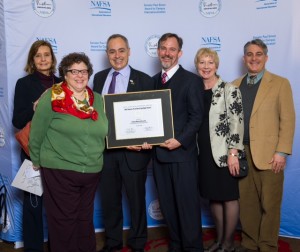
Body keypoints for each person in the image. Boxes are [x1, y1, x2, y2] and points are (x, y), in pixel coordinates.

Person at [29, 52, 108, 252]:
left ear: (89, 74)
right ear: (65, 74)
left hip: (91, 171)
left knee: (84, 220)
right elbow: (36, 133)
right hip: (59, 170)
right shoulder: (52, 97)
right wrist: (36, 160)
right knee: (64, 223)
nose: (79, 75)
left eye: (83, 71)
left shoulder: (97, 99)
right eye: (74, 71)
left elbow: (105, 131)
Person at [232, 39, 295, 252]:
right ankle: (250, 243)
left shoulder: (280, 83)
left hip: (270, 155)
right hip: (242, 154)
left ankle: (267, 245)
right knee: (247, 203)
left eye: (259, 54)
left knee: (270, 205)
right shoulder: (234, 85)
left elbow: (288, 119)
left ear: (266, 58)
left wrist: (281, 152)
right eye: (249, 54)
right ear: (244, 58)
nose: (254, 58)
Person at [93, 34, 154, 252]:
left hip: (134, 153)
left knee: (136, 201)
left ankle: (138, 243)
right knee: (110, 201)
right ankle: (113, 242)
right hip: (107, 151)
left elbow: (151, 117)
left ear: (129, 51)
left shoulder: (145, 79)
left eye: (121, 50)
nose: (117, 55)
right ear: (107, 54)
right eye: (112, 51)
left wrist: (148, 139)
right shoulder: (99, 78)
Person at [152, 33, 204, 251]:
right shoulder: (152, 81)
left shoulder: (192, 81)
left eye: (172, 49)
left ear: (180, 53)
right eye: (163, 48)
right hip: (159, 156)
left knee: (187, 208)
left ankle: (192, 248)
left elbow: (196, 117)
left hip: (182, 155)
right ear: (158, 51)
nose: (167, 53)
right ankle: (176, 246)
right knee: (168, 207)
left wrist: (179, 141)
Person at [12, 40, 60, 252]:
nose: (43, 59)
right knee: (33, 206)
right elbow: (17, 120)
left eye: (46, 55)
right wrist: (35, 108)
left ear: (52, 58)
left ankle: (59, 246)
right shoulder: (24, 84)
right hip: (32, 154)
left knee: (59, 206)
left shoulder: (63, 83)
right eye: (38, 55)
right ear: (33, 59)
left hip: (60, 154)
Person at [194, 48, 244, 252]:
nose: (206, 66)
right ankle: (219, 240)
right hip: (203, 152)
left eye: (210, 62)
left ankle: (228, 243)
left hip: (225, 152)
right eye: (202, 62)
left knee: (229, 197)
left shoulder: (229, 89)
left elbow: (237, 122)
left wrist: (233, 153)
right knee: (213, 196)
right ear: (197, 65)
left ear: (217, 65)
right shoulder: (195, 88)